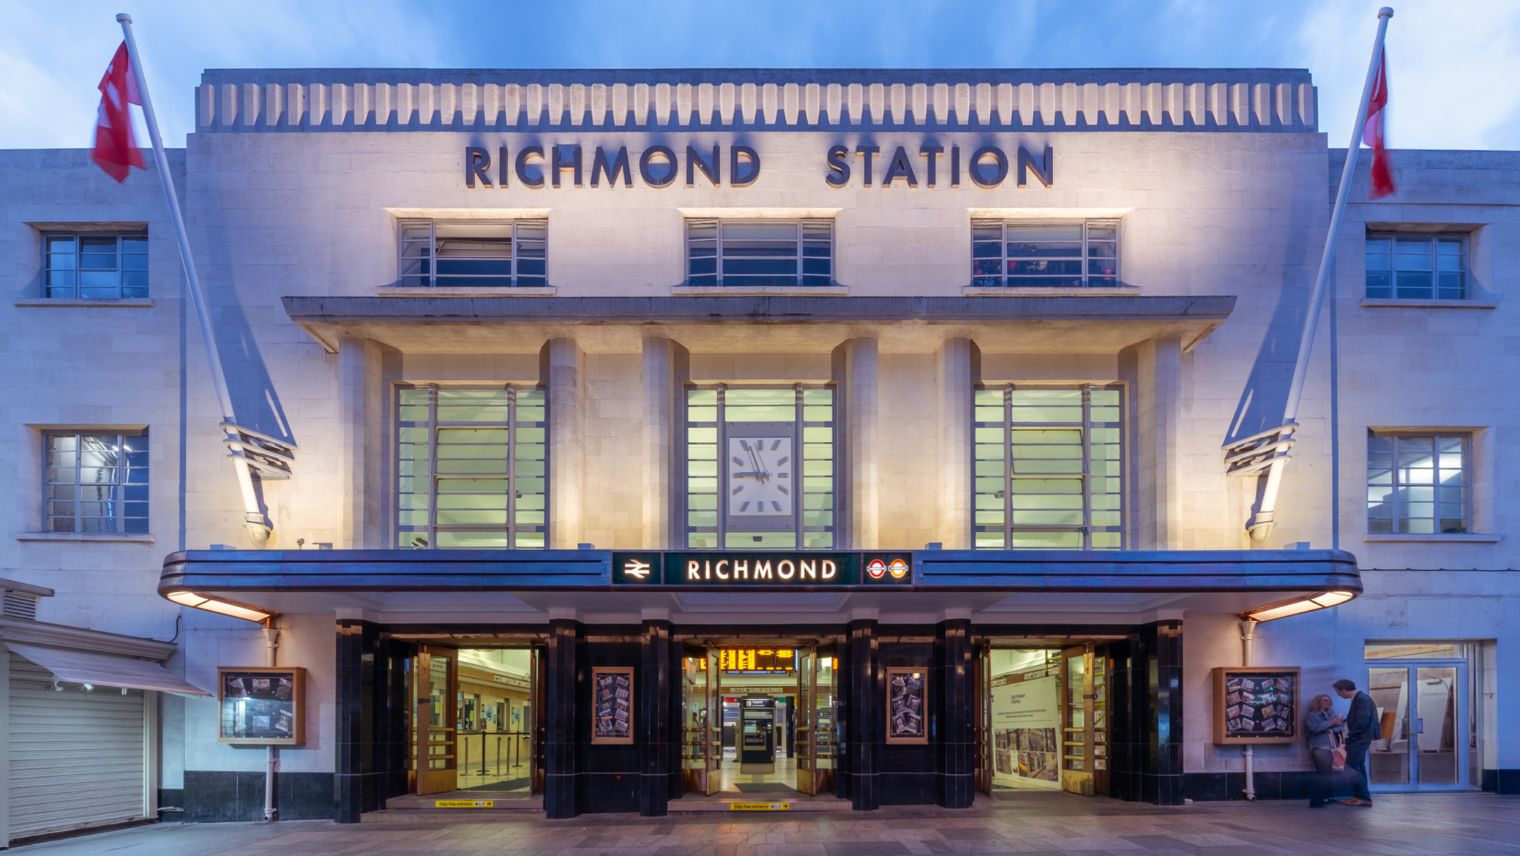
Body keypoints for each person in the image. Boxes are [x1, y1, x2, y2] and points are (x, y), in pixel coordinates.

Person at [1334, 678, 1378, 806]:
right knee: (1357, 767)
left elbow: (1362, 721)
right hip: (1360, 739)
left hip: (1359, 739)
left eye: (1338, 692)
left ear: (1344, 689)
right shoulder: (1360, 698)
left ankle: (1363, 797)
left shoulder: (1361, 699)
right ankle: (1359, 796)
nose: (1338, 695)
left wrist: (1350, 737)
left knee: (1353, 767)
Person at [1303, 694, 1344, 807]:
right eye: (1325, 700)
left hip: (1330, 747)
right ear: (1318, 703)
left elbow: (1338, 727)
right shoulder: (1312, 715)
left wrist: (1334, 724)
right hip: (1319, 747)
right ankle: (1316, 799)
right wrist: (1331, 723)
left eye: (1329, 700)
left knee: (1328, 773)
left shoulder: (1330, 714)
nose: (1328, 702)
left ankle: (1327, 797)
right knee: (1323, 773)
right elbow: (1315, 728)